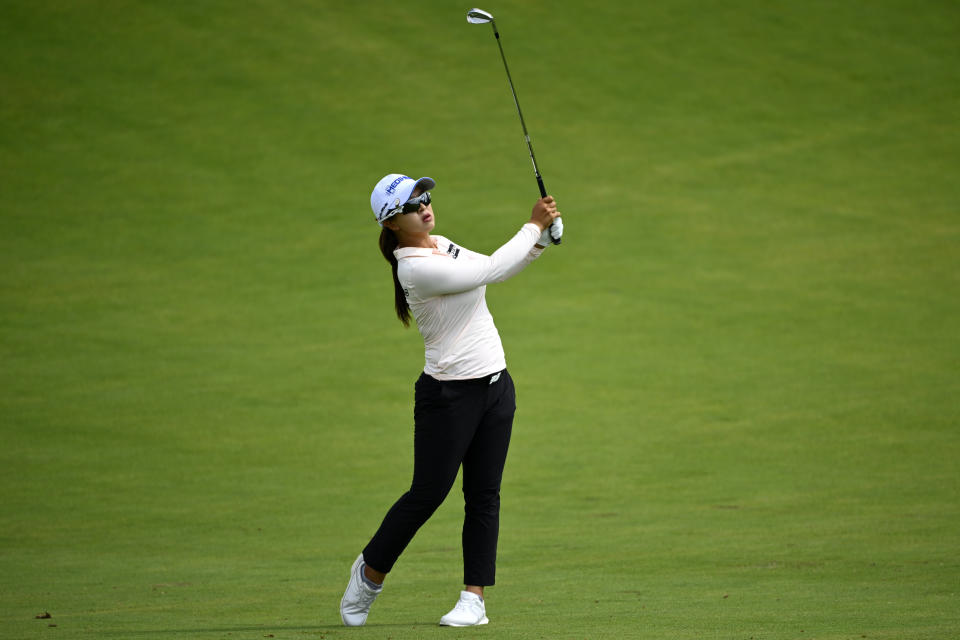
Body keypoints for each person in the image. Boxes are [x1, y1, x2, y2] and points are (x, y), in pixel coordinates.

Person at [339, 174, 563, 627]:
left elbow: (499, 265)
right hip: (448, 396)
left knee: (484, 495)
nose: (424, 206)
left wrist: (539, 242)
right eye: (411, 205)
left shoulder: (440, 244)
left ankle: (473, 600)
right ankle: (369, 572)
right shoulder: (414, 267)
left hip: (496, 387)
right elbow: (491, 270)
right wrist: (534, 225)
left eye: (424, 197)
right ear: (392, 224)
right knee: (428, 494)